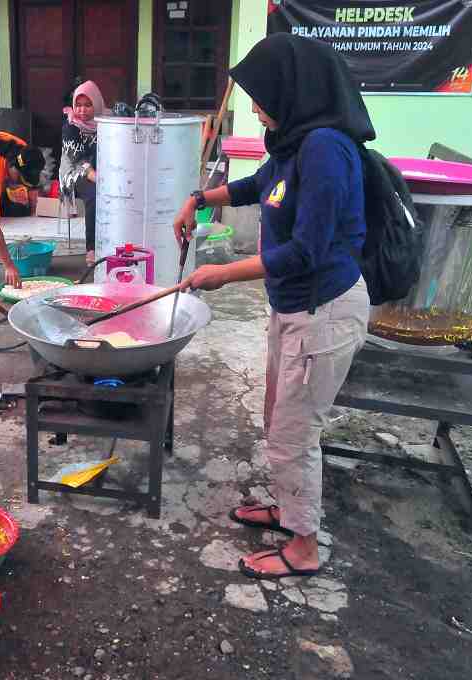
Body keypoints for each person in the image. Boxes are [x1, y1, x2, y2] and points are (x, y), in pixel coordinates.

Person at [173, 34, 373, 580]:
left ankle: (304, 547)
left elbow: (305, 251)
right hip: (294, 309)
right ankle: (288, 510)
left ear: (292, 90)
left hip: (325, 309)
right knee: (276, 418)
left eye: (260, 96)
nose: (255, 106)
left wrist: (222, 274)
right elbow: (257, 186)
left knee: (293, 432)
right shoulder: (290, 143)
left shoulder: (326, 149)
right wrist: (198, 199)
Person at [0, 130, 45, 286]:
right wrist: (9, 266)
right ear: (12, 167)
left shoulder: (23, 152)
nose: (20, 183)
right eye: (19, 178)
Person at [61, 80, 106, 268]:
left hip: (100, 172)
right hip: (74, 173)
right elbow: (78, 160)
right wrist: (99, 178)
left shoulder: (106, 123)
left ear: (96, 104)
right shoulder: (71, 127)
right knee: (95, 193)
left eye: (88, 105)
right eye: (78, 105)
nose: (82, 110)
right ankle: (91, 248)